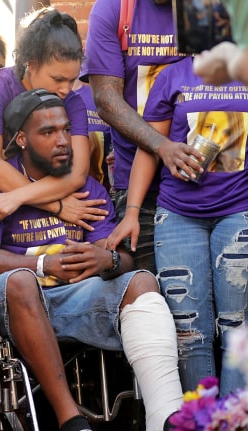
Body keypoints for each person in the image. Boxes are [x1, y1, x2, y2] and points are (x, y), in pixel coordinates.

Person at [0, 89, 184, 431]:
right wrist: (41, 265)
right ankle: (73, 424)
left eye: (65, 130)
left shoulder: (87, 188)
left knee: (141, 280)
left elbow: (122, 258)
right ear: (21, 139)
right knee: (21, 282)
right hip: (12, 304)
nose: (63, 140)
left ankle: (165, 419)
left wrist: (105, 261)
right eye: (48, 132)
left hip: (75, 298)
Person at [110, 56, 248, 395]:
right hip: (178, 215)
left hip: (246, 210)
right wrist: (132, 212)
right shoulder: (173, 75)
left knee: (238, 330)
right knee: (189, 333)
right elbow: (150, 148)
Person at [82, 0, 203, 274]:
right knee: (146, 290)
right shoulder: (115, 8)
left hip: (202, 181)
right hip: (136, 182)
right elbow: (105, 99)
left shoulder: (206, 7)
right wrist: (162, 146)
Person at [0, 8, 105, 230]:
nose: (66, 89)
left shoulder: (73, 102)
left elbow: (77, 174)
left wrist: (19, 197)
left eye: (72, 80)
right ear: (31, 64)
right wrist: (57, 205)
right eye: (58, 79)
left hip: (22, 204)